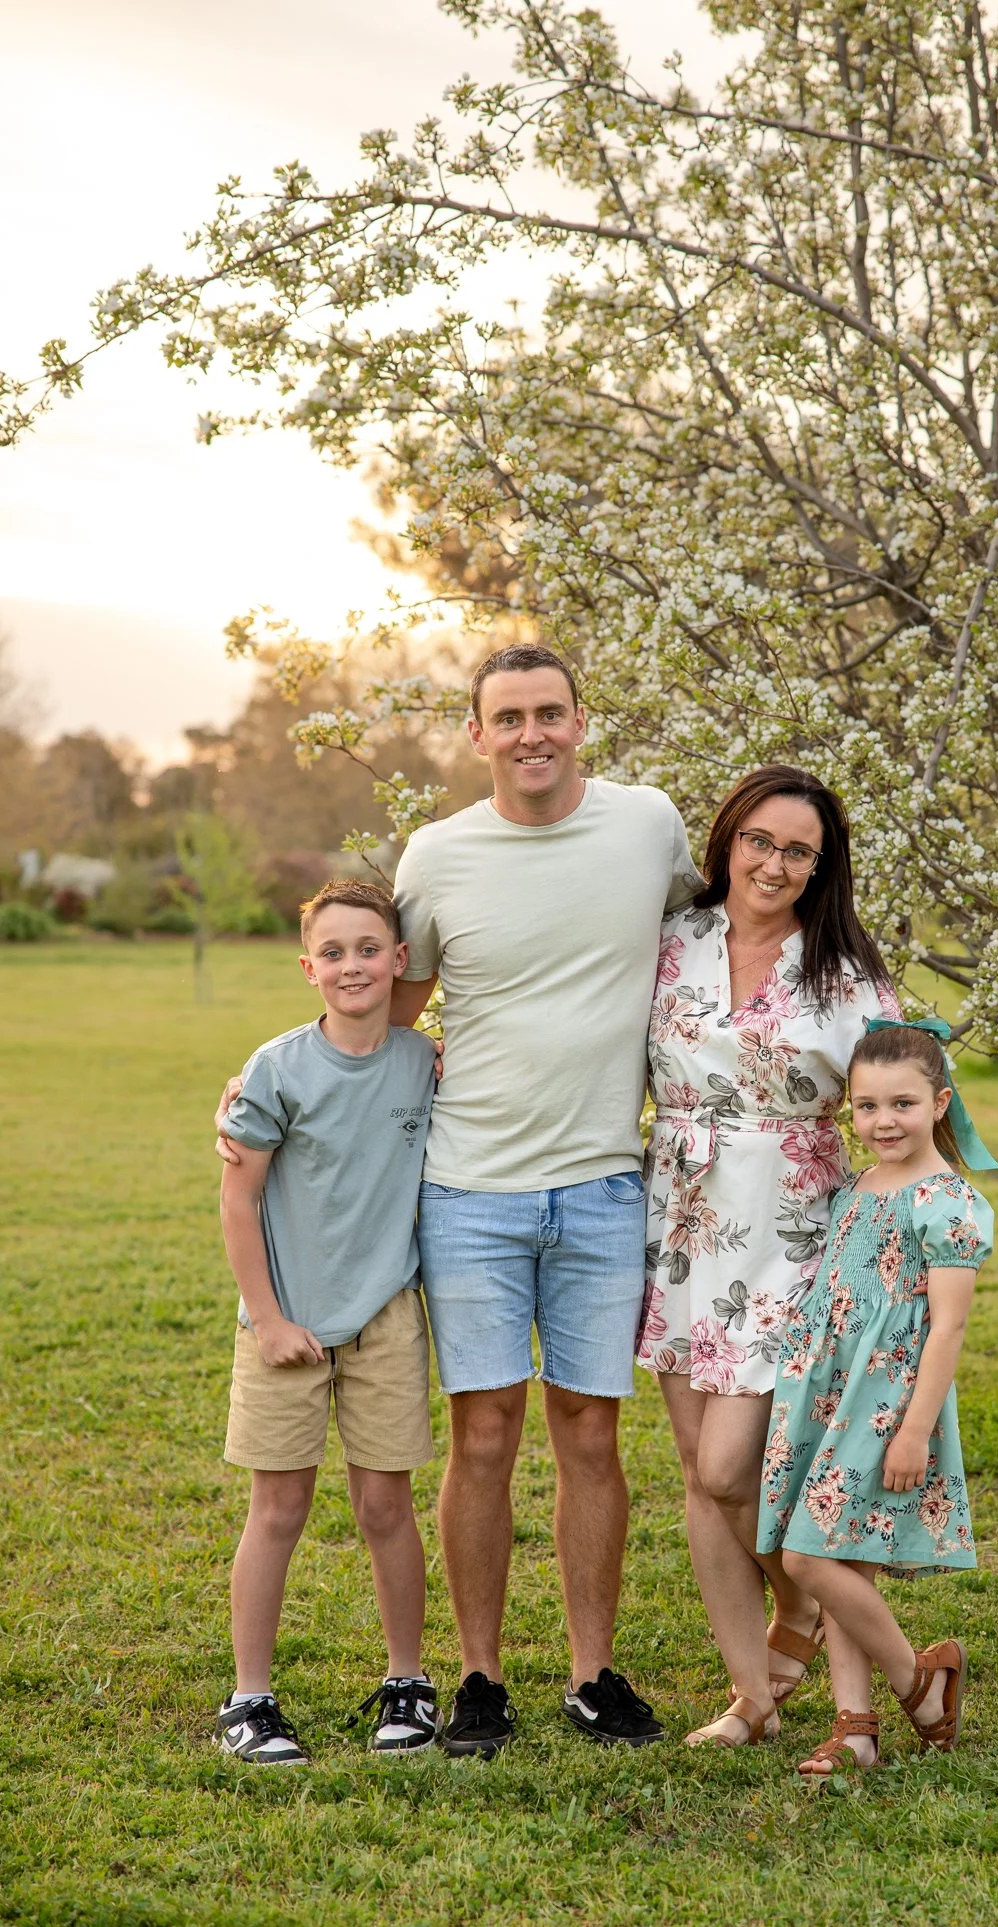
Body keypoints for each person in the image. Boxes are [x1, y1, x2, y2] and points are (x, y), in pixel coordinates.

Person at [387, 643, 700, 1756]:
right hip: (468, 1189)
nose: (531, 734)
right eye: (507, 716)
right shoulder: (435, 856)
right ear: (476, 735)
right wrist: (275, 1076)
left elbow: (711, 942)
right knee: (481, 1434)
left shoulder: (647, 824)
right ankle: (478, 1677)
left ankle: (592, 1672)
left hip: (607, 1182)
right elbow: (391, 1005)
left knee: (589, 1434)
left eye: (549, 713)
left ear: (581, 720)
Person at [637, 765, 900, 1748]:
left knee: (729, 1462)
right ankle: (752, 1691)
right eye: (760, 839)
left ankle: (828, 1622)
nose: (774, 862)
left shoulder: (841, 974)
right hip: (678, 1226)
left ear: (820, 868)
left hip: (792, 1228)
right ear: (727, 839)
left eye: (798, 850)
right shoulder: (674, 942)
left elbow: (908, 1098)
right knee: (702, 1479)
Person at [214, 879, 438, 1765]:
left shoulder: (424, 1063)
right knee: (278, 1506)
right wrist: (267, 1318)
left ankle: (407, 1683)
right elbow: (239, 1198)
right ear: (308, 968)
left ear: (399, 960)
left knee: (387, 1502)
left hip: (386, 1316)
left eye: (369, 948)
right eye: (333, 952)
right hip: (286, 1318)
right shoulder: (275, 1067)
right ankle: (251, 1698)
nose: (353, 965)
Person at [757, 1019, 998, 1778]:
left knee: (807, 1554)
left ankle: (919, 1682)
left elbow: (948, 1327)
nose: (882, 1121)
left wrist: (914, 1429)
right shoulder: (855, 1188)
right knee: (844, 1558)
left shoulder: (947, 1202)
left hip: (888, 1399)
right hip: (827, 1389)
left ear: (939, 1103)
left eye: (901, 1103)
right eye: (866, 1107)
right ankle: (854, 1729)